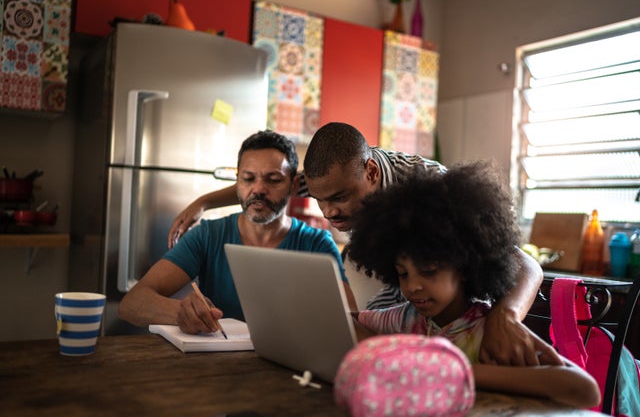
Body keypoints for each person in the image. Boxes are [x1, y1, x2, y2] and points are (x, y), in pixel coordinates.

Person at [166, 122, 553, 366]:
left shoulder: (427, 184)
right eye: (320, 200)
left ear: (370, 171)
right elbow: (266, 185)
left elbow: (527, 266)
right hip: (405, 322)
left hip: (460, 321)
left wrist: (506, 317)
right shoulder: (329, 177)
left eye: (339, 198)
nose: (330, 212)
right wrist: (203, 201)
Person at [345, 161, 601, 409]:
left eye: (429, 271)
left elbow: (585, 390)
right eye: (403, 274)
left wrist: (454, 371)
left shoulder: (488, 334)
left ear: (465, 267)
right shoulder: (406, 319)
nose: (412, 287)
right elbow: (345, 321)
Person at [119, 130, 357, 334]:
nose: (258, 190)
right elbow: (132, 303)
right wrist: (181, 312)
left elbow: (349, 323)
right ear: (237, 183)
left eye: (273, 180)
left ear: (294, 185)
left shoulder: (316, 244)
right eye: (248, 179)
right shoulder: (208, 236)